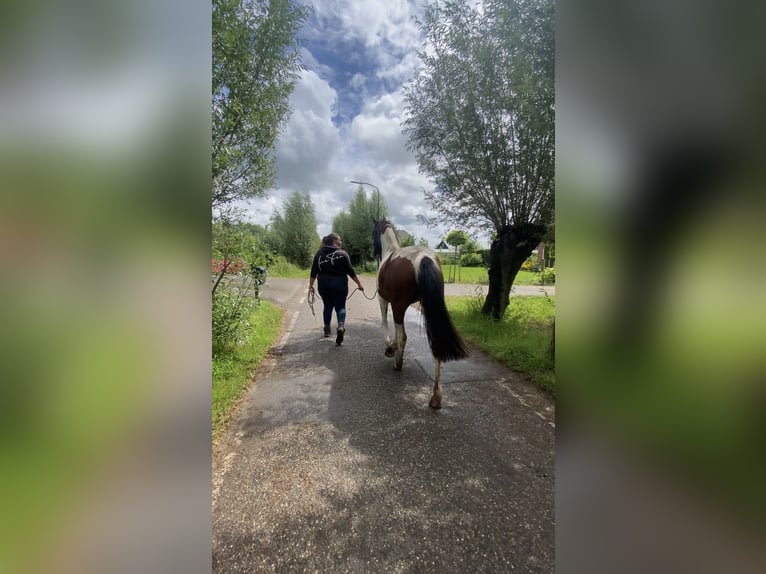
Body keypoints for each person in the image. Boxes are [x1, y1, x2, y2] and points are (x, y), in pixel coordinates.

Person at [309, 232, 364, 345]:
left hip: (323, 284)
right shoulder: (343, 254)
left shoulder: (319, 254)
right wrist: (359, 284)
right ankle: (340, 326)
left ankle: (327, 329)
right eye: (339, 240)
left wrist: (311, 285)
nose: (341, 242)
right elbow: (350, 271)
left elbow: (314, 271)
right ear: (334, 241)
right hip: (340, 283)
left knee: (327, 305)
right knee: (340, 306)